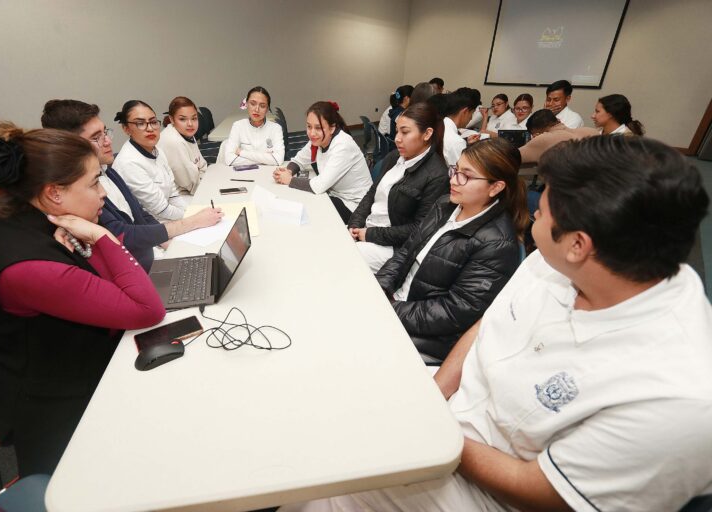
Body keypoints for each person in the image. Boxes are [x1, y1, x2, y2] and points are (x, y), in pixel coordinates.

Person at [281, 136, 712, 512]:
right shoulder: (562, 260)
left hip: (492, 491)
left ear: (579, 245)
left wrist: (433, 433)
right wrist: (431, 398)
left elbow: (541, 492)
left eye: (542, 211)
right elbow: (489, 325)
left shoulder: (677, 399)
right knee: (323, 402)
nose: (531, 214)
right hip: (449, 416)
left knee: (335, 470)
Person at [0, 121, 166, 476]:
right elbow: (147, 309)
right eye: (93, 183)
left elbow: (110, 286)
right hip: (54, 408)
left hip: (81, 360)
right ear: (54, 192)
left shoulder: (45, 218)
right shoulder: (28, 266)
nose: (103, 193)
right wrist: (100, 236)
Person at [374, 139, 528, 361]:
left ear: (495, 187)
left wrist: (393, 310)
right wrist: (381, 288)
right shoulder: (445, 205)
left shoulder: (497, 243)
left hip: (431, 337)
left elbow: (453, 312)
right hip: (401, 306)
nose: (454, 179)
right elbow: (406, 252)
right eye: (455, 169)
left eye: (466, 175)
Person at [41, 99, 221, 270]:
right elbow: (123, 235)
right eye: (97, 137)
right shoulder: (83, 192)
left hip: (152, 253)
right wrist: (192, 222)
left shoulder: (107, 168)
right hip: (140, 266)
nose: (108, 141)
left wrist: (173, 244)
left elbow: (140, 215)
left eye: (105, 132)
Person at [347, 103, 450, 272]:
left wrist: (370, 234)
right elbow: (371, 194)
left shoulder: (437, 175)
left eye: (405, 132)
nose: (397, 138)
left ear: (427, 134)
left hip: (393, 247)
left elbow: (419, 229)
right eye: (397, 130)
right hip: (367, 229)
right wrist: (355, 224)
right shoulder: (395, 156)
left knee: (341, 259)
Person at [272, 101, 372, 224]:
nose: (312, 133)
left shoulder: (343, 145)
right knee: (303, 205)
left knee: (308, 212)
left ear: (332, 128)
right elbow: (299, 160)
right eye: (309, 126)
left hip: (355, 207)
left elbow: (319, 185)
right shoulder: (319, 139)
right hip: (334, 194)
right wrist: (288, 171)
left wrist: (289, 180)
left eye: (318, 128)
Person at [157, 96, 208, 194]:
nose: (190, 124)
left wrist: (201, 176)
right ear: (171, 119)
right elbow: (190, 184)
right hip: (179, 196)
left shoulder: (185, 132)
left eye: (194, 118)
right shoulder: (173, 141)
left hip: (196, 187)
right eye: (183, 119)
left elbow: (202, 165)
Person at [224, 86, 284, 166]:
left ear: (267, 109)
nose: (256, 109)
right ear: (247, 104)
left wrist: (242, 152)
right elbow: (229, 160)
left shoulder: (276, 128)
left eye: (262, 106)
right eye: (252, 104)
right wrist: (267, 159)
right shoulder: (238, 126)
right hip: (243, 174)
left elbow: (278, 160)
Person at [520, 109, 600, 164]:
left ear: (536, 135)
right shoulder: (592, 131)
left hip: (567, 187)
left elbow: (510, 156)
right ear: (559, 120)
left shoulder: (544, 139)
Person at [442, 91, 479, 166]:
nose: (471, 118)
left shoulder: (440, 124)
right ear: (465, 111)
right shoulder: (456, 142)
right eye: (472, 113)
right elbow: (463, 172)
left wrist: (466, 145)